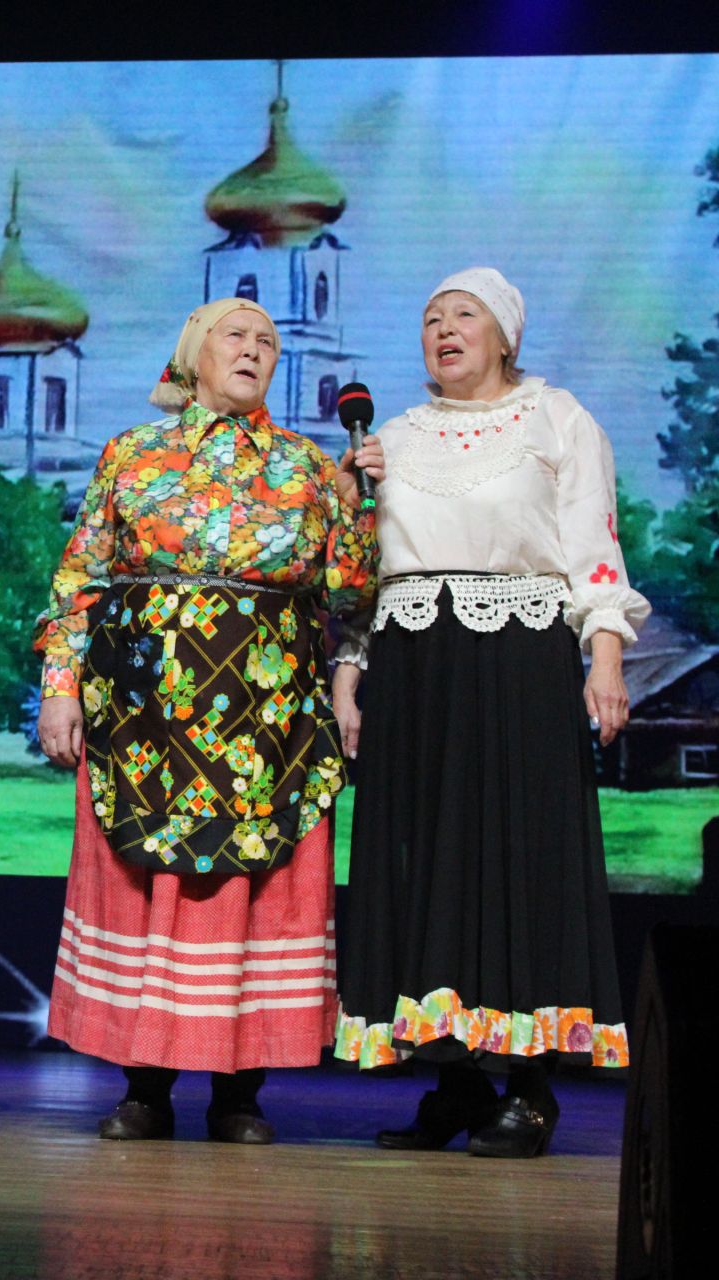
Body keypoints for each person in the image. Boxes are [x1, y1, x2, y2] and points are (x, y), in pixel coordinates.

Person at [34, 297, 379, 1143]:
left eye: (268, 340)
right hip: (145, 716)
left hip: (271, 719)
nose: (255, 348)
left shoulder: (307, 467)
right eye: (237, 334)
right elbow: (80, 579)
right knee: (148, 885)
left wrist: (362, 502)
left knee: (252, 895)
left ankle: (239, 1091)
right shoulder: (132, 453)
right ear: (194, 350)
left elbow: (352, 598)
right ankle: (145, 1085)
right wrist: (61, 683)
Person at [332, 268, 645, 1157]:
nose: (442, 328)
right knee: (424, 862)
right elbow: (364, 573)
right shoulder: (391, 435)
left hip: (518, 652)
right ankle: (457, 1079)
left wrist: (607, 655)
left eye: (462, 314)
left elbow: (592, 547)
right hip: (413, 659)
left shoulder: (557, 418)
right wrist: (350, 669)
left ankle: (531, 1086)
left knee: (517, 857)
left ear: (505, 334)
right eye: (430, 317)